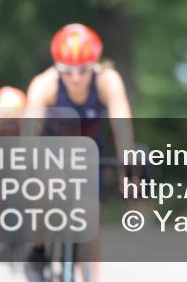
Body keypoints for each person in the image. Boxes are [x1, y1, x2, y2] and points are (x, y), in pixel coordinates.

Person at [24, 23, 136, 282]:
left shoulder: (108, 81)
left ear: (94, 65)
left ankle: (91, 276)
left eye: (83, 70)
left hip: (89, 150)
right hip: (51, 147)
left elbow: (123, 128)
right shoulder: (44, 85)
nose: (75, 78)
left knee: (90, 213)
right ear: (57, 68)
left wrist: (127, 168)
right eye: (68, 71)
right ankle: (38, 250)